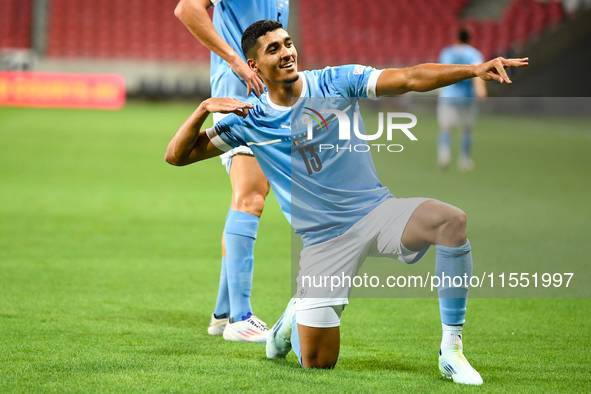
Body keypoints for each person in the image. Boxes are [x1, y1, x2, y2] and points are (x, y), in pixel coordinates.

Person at [164, 20, 528, 385]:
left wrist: (474, 70)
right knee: (319, 363)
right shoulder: (250, 119)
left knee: (451, 221)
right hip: (324, 243)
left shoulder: (334, 81)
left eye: (287, 43)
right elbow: (177, 156)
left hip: (378, 212)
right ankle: (292, 317)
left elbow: (410, 78)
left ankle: (451, 350)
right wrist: (202, 109)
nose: (287, 53)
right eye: (273, 49)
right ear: (254, 65)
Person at [174, 0, 289, 343]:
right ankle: (241, 318)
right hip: (238, 100)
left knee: (254, 195)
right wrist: (236, 61)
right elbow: (188, 9)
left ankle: (223, 314)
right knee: (250, 195)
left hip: (266, 102)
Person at [437, 27, 487, 172]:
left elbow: (440, 73)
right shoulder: (474, 54)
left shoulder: (447, 53)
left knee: (446, 127)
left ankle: (444, 156)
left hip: (448, 95)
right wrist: (481, 89)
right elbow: (479, 74)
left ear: (456, 37)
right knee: (466, 129)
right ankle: (464, 160)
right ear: (469, 38)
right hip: (466, 96)